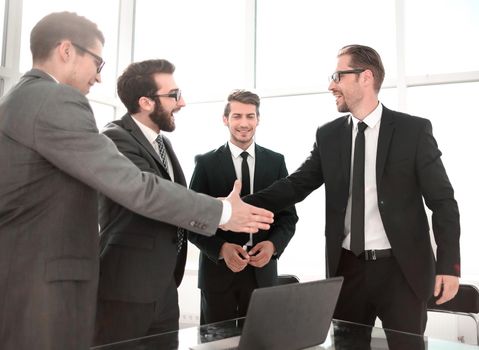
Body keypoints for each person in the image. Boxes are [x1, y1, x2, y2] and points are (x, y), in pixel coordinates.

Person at [0, 12, 273, 350]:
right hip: (47, 288)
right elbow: (136, 186)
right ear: (67, 50)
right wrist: (223, 212)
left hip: (55, 281)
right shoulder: (54, 99)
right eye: (97, 62)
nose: (98, 78)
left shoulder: (24, 98)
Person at [243, 45, 460, 346]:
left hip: (401, 272)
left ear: (365, 77)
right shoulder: (329, 135)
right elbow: (296, 184)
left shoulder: (413, 131)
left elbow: (443, 203)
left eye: (338, 76)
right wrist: (234, 208)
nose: (331, 85)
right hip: (348, 270)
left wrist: (450, 266)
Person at [93, 59, 192, 345]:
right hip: (126, 290)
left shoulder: (163, 144)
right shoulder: (115, 138)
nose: (182, 102)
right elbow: (157, 197)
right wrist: (222, 211)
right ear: (146, 102)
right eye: (174, 95)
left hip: (164, 287)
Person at [188, 90, 298, 325]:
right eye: (237, 116)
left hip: (262, 274)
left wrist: (272, 245)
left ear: (258, 119)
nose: (244, 123)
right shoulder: (206, 164)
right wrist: (221, 249)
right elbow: (191, 220)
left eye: (250, 116)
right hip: (217, 275)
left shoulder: (276, 162)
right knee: (216, 344)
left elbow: (288, 218)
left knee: (261, 343)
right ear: (225, 119)